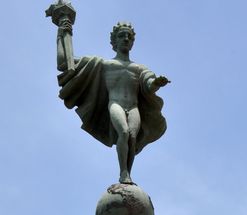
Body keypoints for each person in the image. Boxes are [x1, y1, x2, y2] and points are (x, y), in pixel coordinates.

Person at [56, 20, 169, 184]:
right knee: (122, 132)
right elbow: (65, 64)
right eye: (122, 35)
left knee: (132, 137)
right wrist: (62, 34)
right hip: (115, 103)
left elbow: (148, 84)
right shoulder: (104, 65)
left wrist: (156, 83)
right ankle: (123, 172)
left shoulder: (139, 68)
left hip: (134, 106)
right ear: (114, 41)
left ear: (132, 42)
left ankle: (127, 174)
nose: (126, 38)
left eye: (129, 36)